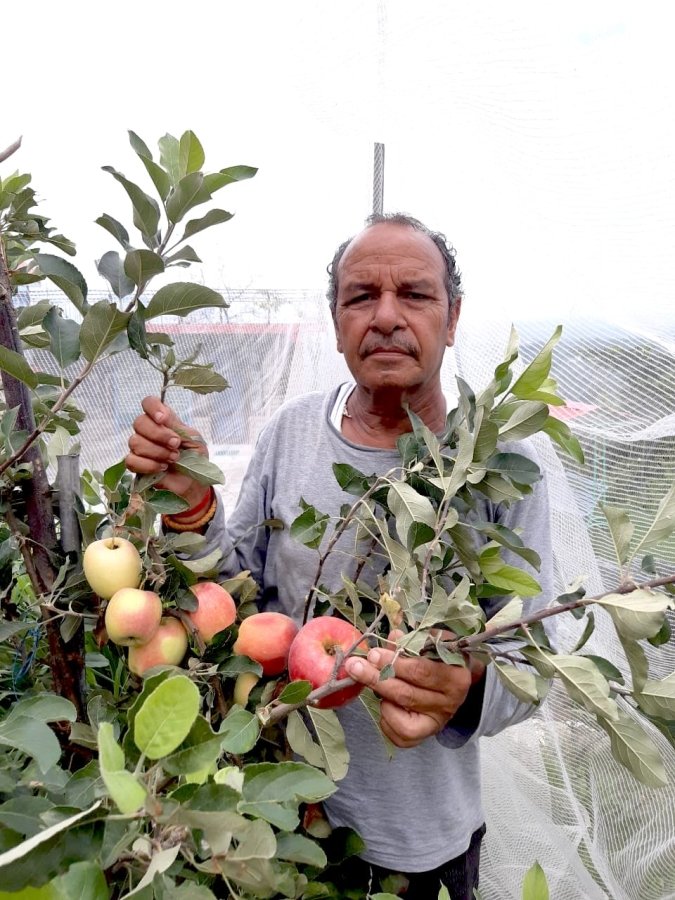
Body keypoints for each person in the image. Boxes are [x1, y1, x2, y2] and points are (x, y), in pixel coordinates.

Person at [126, 213, 553, 899]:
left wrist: (466, 685)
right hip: (281, 813)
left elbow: (536, 661)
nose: (385, 316)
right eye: (360, 297)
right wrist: (190, 508)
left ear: (452, 318)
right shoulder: (289, 434)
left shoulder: (500, 468)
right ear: (335, 321)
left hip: (424, 841)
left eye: (413, 294)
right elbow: (232, 600)